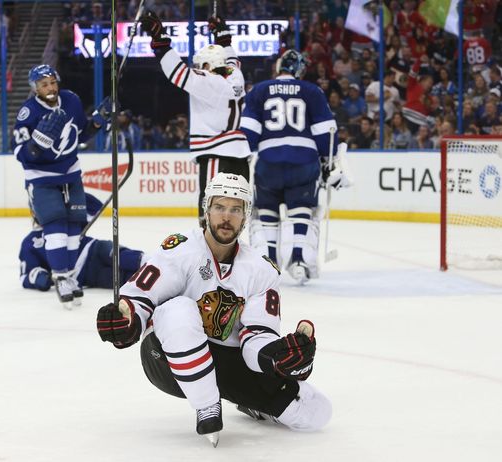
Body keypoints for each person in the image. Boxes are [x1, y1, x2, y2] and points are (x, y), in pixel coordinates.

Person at [96, 173, 331, 446]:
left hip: (223, 359)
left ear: (246, 216)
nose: (226, 217)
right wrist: (126, 320)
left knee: (314, 411)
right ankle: (207, 406)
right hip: (164, 358)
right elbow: (140, 298)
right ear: (206, 210)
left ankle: (248, 402)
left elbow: (257, 337)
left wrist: (277, 358)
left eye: (235, 209)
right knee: (178, 310)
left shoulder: (261, 270)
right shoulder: (180, 250)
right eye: (219, 207)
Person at [240, 50, 350, 284]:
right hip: (304, 161)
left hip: (268, 162)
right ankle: (299, 260)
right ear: (300, 70)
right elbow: (326, 131)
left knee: (267, 211)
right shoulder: (312, 91)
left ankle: (269, 262)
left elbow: (248, 131)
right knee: (302, 210)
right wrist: (329, 161)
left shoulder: (259, 90)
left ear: (279, 66)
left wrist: (246, 156)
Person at [12, 64, 111, 308]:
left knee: (75, 224)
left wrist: (98, 122)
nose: (50, 87)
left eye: (52, 82)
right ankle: (60, 276)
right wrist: (37, 145)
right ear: (35, 88)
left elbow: (81, 135)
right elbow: (20, 153)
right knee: (55, 223)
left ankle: (70, 275)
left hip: (70, 172)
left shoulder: (71, 100)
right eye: (43, 84)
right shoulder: (28, 113)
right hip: (41, 176)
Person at [140, 12, 251, 225]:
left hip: (217, 154)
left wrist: (160, 40)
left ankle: (211, 258)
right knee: (234, 218)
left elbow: (177, 73)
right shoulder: (236, 76)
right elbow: (232, 59)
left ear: (209, 66)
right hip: (239, 158)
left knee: (211, 216)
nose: (199, 69)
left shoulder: (210, 82)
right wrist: (223, 39)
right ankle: (227, 258)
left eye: (201, 65)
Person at [20, 194, 145, 304]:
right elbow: (26, 274)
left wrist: (71, 195)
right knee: (127, 280)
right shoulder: (30, 242)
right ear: (34, 212)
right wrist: (43, 279)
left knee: (123, 258)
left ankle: (151, 261)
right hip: (88, 277)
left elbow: (95, 206)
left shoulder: (70, 219)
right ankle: (159, 282)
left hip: (95, 249)